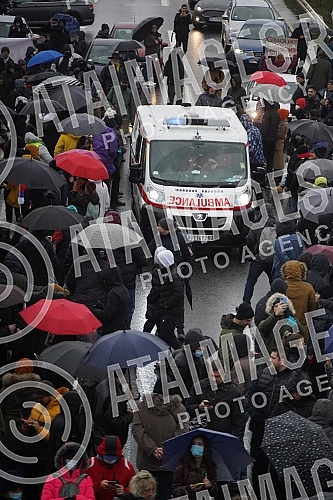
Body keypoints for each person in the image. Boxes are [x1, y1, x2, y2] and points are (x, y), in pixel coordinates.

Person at [248, 348, 305, 497]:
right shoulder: (264, 374)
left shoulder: (295, 378)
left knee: (278, 468)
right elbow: (251, 394)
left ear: (283, 361)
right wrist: (253, 413)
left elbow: (303, 404)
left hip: (280, 430)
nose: (270, 361)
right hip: (260, 427)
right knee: (258, 465)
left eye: (273, 358)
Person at [132, 393, 188, 500]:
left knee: (144, 495)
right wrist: (167, 448)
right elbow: (183, 430)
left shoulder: (142, 407)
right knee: (165, 494)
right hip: (169, 462)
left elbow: (137, 430)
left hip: (146, 462)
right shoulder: (179, 408)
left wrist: (153, 449)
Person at [185, 361, 245, 439]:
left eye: (217, 376)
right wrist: (199, 407)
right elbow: (188, 408)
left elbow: (239, 419)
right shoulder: (199, 387)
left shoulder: (234, 392)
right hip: (201, 434)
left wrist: (237, 440)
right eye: (211, 376)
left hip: (222, 435)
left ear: (225, 374)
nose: (213, 379)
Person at [146, 248, 184, 349]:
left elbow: (178, 293)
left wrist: (167, 304)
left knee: (167, 335)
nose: (157, 263)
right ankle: (171, 356)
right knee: (164, 334)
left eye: (159, 260)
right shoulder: (168, 272)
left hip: (172, 311)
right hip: (168, 311)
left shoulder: (174, 274)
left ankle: (181, 354)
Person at [242, 203, 276, 304]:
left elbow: (249, 240)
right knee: (274, 281)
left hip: (258, 258)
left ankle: (246, 303)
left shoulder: (257, 224)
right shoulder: (276, 224)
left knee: (251, 281)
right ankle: (276, 301)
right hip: (273, 259)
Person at [87, 435, 136, 500]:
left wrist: (124, 491)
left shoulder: (127, 466)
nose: (110, 460)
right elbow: (82, 487)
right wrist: (98, 486)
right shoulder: (90, 464)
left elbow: (135, 487)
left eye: (113, 457)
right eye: (107, 457)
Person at [171, 435, 218, 500]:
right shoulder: (182, 465)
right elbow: (174, 489)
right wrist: (188, 488)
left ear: (205, 448)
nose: (196, 446)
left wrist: (210, 485)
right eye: (194, 444)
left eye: (200, 444)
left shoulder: (209, 466)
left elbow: (216, 489)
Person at [281, 260, 317, 343]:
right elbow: (313, 306)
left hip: (286, 327)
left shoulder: (282, 286)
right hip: (303, 326)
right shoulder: (308, 288)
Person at [94, 375, 133, 448]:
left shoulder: (103, 385)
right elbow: (115, 421)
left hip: (101, 435)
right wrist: (131, 415)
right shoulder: (113, 392)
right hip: (111, 442)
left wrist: (125, 397)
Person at [91, 265, 130, 335]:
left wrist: (95, 311)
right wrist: (102, 306)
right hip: (121, 327)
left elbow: (107, 316)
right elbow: (116, 309)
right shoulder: (124, 289)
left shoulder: (113, 293)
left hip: (111, 330)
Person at [258, 99, 280, 174]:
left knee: (262, 158)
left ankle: (261, 175)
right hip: (273, 140)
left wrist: (261, 138)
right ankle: (269, 176)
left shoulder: (267, 114)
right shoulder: (276, 114)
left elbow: (265, 128)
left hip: (266, 140)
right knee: (270, 160)